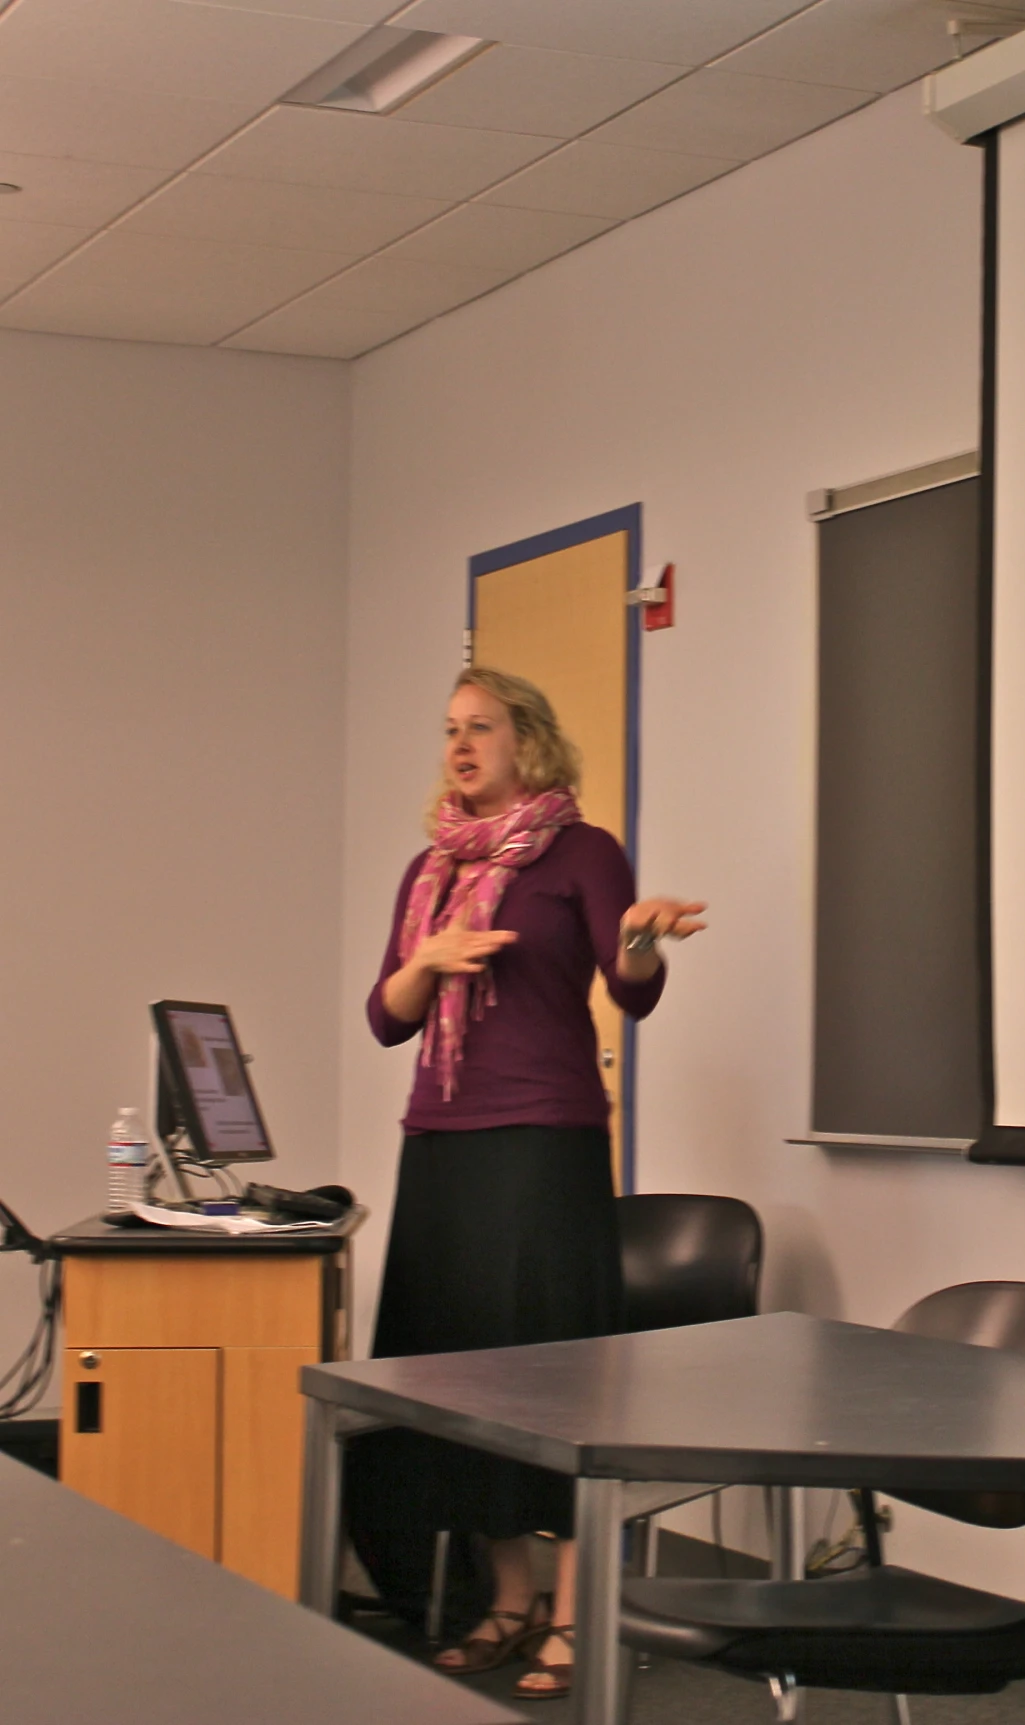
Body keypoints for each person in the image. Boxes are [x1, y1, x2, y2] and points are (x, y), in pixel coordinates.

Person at [362, 666, 704, 1701]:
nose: (462, 746)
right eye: (452, 730)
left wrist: (642, 943)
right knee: (457, 1373)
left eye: (483, 729)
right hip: (443, 1140)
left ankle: (571, 1608)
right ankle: (503, 1600)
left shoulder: (582, 853)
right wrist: (434, 959)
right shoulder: (430, 869)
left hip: (542, 1141)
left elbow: (628, 987)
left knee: (545, 1374)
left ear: (531, 744)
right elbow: (386, 1016)